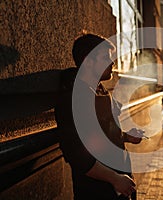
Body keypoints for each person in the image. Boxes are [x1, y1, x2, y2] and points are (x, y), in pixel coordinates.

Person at [55, 33, 144, 200]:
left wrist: (125, 136)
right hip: (97, 192)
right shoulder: (73, 99)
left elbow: (99, 136)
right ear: (88, 61)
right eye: (105, 57)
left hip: (116, 187)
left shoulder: (98, 90)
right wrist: (115, 179)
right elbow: (77, 154)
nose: (112, 62)